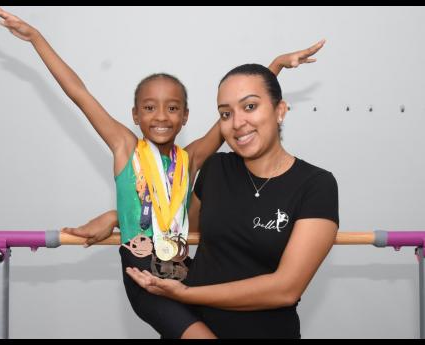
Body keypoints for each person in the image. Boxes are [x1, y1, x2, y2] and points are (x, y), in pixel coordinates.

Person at [0, 6, 326, 339]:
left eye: (172, 108)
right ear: (135, 115)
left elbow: (235, 116)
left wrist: (275, 66)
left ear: (186, 116)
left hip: (182, 274)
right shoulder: (125, 147)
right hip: (145, 282)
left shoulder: (191, 159)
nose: (161, 116)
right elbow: (79, 93)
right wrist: (36, 38)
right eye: (149, 108)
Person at [126, 63, 339, 338]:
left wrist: (189, 294)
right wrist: (116, 218)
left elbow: (286, 289)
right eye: (226, 113)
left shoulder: (315, 185)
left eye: (250, 107)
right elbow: (172, 227)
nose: (237, 123)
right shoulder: (215, 169)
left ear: (280, 110)